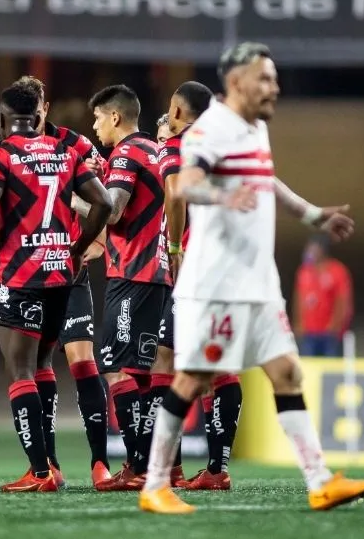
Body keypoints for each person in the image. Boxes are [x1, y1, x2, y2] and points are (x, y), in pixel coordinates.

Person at [139, 42, 364, 514]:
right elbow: (185, 185)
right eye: (264, 79)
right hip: (217, 285)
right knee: (192, 380)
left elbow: (266, 182)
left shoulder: (256, 128)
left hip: (258, 283)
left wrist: (313, 215)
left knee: (287, 373)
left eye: (275, 78)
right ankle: (155, 485)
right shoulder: (209, 130)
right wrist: (222, 197)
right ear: (236, 82)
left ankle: (320, 482)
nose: (275, 87)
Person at [0, 84, 111, 493]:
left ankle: (50, 470)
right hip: (62, 272)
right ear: (38, 113)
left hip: (23, 275)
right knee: (44, 363)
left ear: (3, 117)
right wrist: (77, 247)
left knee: (26, 369)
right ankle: (52, 463)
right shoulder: (68, 151)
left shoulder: (0, 153)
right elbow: (105, 203)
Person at [84, 85, 170, 491]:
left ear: (115, 117)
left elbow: (114, 211)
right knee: (141, 373)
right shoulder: (153, 150)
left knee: (115, 367)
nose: (95, 126)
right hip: (156, 274)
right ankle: (152, 465)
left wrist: (70, 198)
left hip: (133, 274)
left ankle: (138, 467)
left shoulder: (126, 154)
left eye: (98, 117)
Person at [158, 81, 241, 491]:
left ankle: (170, 466)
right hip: (233, 262)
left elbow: (175, 195)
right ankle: (215, 468)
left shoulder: (181, 145)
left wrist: (174, 248)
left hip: (198, 263)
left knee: (166, 357)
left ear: (176, 112)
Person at [294, 234, 353, 358]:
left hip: (328, 332)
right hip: (308, 332)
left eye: (313, 248)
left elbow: (342, 301)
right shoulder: (304, 271)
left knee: (329, 364)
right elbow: (299, 299)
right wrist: (299, 323)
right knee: (307, 364)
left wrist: (335, 325)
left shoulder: (337, 271)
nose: (309, 252)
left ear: (322, 250)